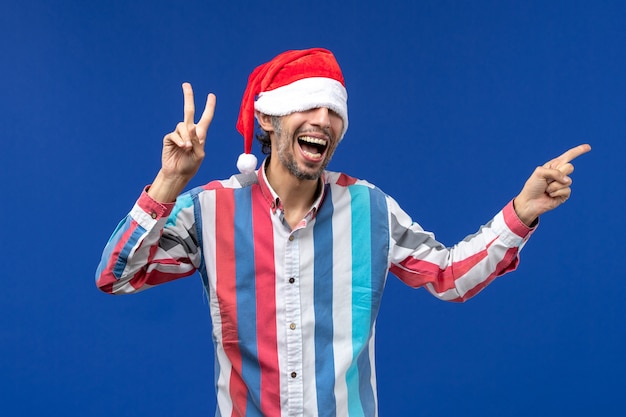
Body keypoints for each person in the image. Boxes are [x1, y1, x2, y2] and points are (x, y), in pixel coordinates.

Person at [95, 48, 590, 416]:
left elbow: (449, 276)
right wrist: (169, 182)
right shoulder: (207, 208)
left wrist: (523, 210)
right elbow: (116, 275)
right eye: (309, 105)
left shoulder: (369, 208)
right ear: (268, 118)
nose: (324, 120)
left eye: (334, 111)